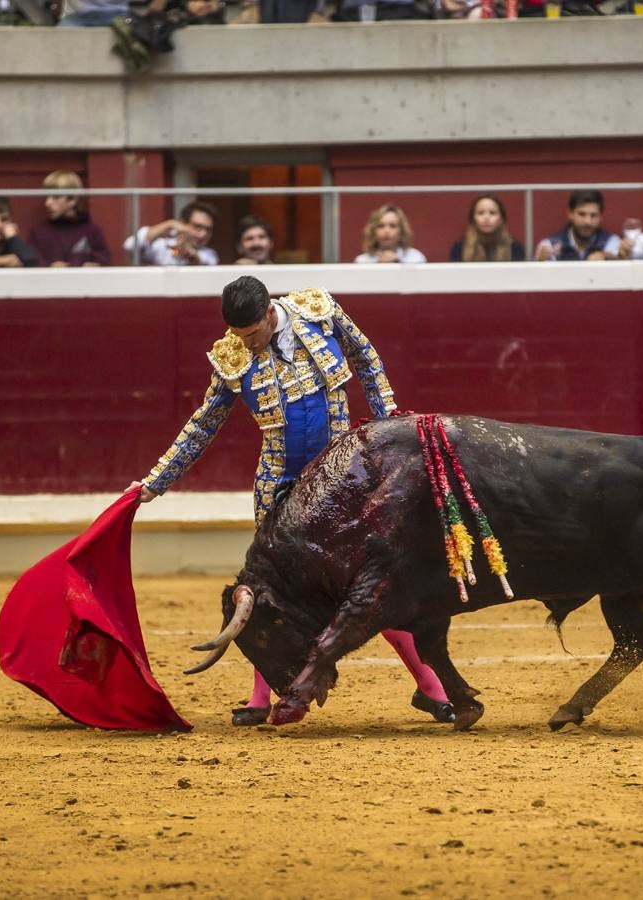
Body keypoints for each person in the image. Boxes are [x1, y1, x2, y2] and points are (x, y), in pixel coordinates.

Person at [126, 275, 455, 727]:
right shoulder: (232, 355)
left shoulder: (318, 312)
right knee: (269, 594)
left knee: (369, 582)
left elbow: (367, 358)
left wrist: (384, 426)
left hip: (341, 477)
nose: (248, 344)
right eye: (240, 337)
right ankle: (261, 697)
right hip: (278, 485)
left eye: (253, 334)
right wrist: (155, 481)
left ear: (268, 312)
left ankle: (431, 686)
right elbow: (203, 423)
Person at [29, 170, 112, 267]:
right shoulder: (37, 232)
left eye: (56, 197)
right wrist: (49, 267)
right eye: (46, 197)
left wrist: (94, 266)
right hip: (49, 282)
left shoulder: (92, 231)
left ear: (72, 200)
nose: (47, 203)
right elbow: (32, 263)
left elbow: (104, 260)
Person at [534, 189, 620, 261]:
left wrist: (606, 256)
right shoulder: (549, 245)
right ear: (570, 214)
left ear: (601, 217)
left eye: (593, 215)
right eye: (582, 214)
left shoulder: (611, 242)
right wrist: (541, 263)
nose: (588, 222)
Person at [124, 201, 218, 267]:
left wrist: (189, 253)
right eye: (197, 227)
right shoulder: (163, 245)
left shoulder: (210, 254)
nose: (203, 234)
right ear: (183, 224)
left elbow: (203, 261)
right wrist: (169, 224)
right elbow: (129, 246)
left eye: (208, 229)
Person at [449, 194, 525, 262]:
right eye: (480, 213)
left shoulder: (515, 248)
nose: (486, 218)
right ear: (473, 219)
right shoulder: (459, 249)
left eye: (492, 213)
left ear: (501, 219)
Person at [355, 203, 427, 264]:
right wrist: (378, 265)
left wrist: (398, 263)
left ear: (401, 231)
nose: (386, 231)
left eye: (392, 226)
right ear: (373, 231)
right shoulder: (362, 261)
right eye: (380, 226)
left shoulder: (416, 258)